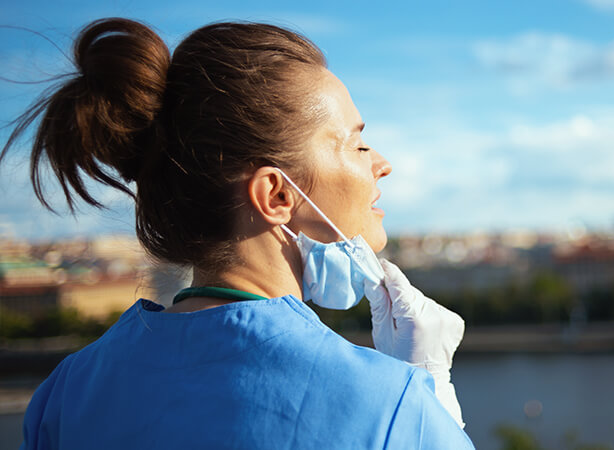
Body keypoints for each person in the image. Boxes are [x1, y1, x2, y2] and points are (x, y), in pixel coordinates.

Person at [2, 18, 474, 449]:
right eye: (359, 143)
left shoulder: (65, 394)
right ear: (276, 196)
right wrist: (429, 396)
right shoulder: (392, 404)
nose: (382, 164)